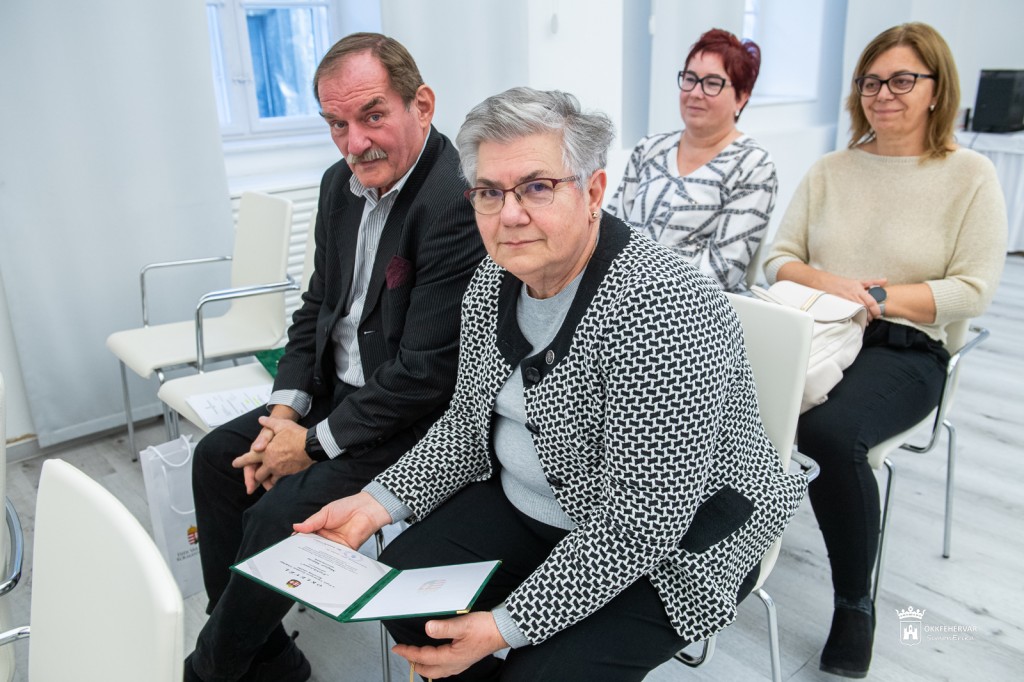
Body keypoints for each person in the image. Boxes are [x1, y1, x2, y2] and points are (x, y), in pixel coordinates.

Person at [294, 87, 807, 681]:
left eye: (537, 187)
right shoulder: (493, 281)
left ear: (593, 192)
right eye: (489, 192)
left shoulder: (664, 308)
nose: (509, 215)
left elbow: (644, 521)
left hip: (674, 545)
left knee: (540, 672)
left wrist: (504, 626)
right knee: (404, 600)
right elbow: (465, 427)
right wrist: (373, 504)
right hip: (535, 501)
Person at [185, 33, 485, 682]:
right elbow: (318, 307)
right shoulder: (337, 186)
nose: (355, 143)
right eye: (336, 124)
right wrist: (282, 416)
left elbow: (427, 374)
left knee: (278, 516)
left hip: (410, 419)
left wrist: (312, 444)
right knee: (216, 460)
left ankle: (211, 669)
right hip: (335, 392)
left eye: (373, 116)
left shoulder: (455, 201)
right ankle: (266, 655)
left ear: (422, 105)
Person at [763, 22, 1007, 679]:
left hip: (907, 347)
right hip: (820, 328)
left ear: (937, 89)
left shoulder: (969, 175)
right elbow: (779, 259)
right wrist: (836, 287)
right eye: (871, 82)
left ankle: (854, 603)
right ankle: (721, 554)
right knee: (722, 397)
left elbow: (974, 290)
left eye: (902, 80)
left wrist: (877, 297)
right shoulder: (831, 170)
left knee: (828, 432)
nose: (883, 94)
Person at [608, 28, 776, 293]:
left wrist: (642, 286)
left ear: (742, 97)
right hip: (620, 291)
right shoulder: (650, 148)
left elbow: (722, 272)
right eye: (690, 79)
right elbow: (610, 230)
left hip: (694, 306)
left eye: (712, 83)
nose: (696, 92)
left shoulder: (753, 166)